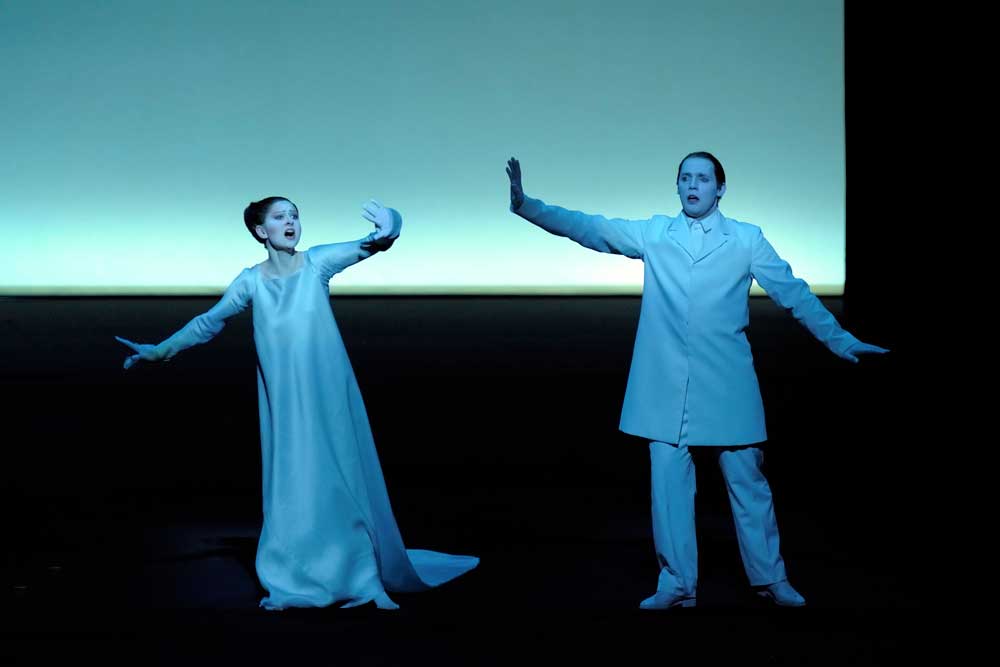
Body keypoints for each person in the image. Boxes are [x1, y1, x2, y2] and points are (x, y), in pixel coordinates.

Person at [505, 153, 887, 609]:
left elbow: (794, 294)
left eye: (702, 179)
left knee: (748, 483)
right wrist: (528, 205)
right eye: (685, 178)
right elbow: (591, 227)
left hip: (726, 380)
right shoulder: (656, 233)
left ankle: (771, 579)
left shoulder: (746, 239)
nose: (693, 185)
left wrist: (841, 340)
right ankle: (676, 583)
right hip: (665, 383)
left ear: (720, 189)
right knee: (668, 488)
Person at [116, 196, 478, 610]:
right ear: (260, 231)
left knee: (341, 473)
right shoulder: (251, 282)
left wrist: (390, 224)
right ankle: (298, 573)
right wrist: (161, 351)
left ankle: (360, 574)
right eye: (280, 217)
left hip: (328, 393)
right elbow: (208, 322)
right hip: (286, 401)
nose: (290, 223)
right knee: (296, 480)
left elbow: (373, 243)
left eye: (295, 216)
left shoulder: (316, 263)